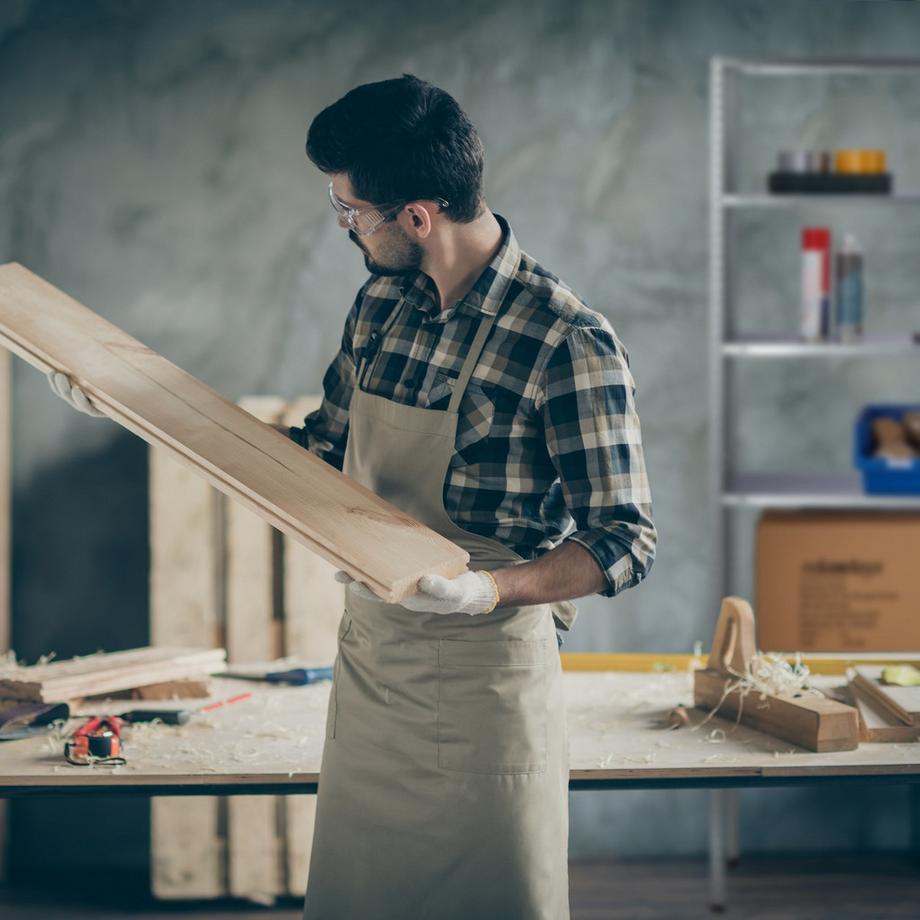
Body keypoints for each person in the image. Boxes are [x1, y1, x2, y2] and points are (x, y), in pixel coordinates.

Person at [50, 74, 656, 920]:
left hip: (488, 687)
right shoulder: (383, 306)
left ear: (417, 216)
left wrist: (488, 589)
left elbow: (625, 539)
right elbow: (314, 457)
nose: (348, 230)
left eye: (351, 214)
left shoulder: (566, 340)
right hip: (375, 669)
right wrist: (140, 409)